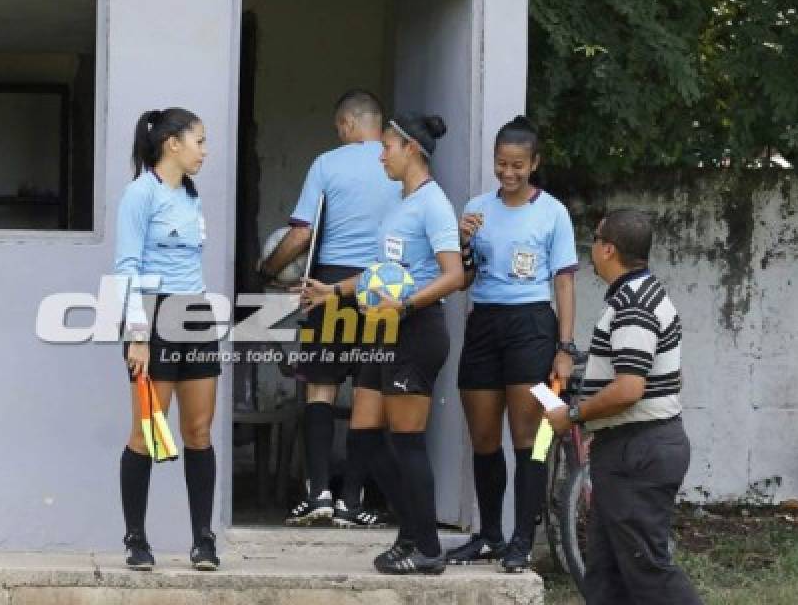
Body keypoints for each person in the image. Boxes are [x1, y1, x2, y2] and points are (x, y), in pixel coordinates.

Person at [300, 112, 464, 575]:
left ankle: (427, 547)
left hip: (417, 330)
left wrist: (407, 306)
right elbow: (379, 275)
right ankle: (409, 533)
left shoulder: (434, 204)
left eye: (388, 146)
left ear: (411, 149)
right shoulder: (398, 201)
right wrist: (332, 291)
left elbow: (453, 275)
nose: (381, 154)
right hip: (384, 329)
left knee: (408, 442)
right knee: (365, 438)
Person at [258, 90, 401, 527]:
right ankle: (351, 503)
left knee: (320, 387)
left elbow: (301, 236)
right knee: (368, 395)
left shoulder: (328, 163)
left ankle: (318, 492)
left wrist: (268, 269)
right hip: (383, 284)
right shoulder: (402, 163)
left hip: (330, 283)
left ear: (346, 124)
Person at [547, 209, 702, 604]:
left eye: (596, 239)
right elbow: (671, 377)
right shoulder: (643, 294)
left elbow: (630, 387)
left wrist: (574, 415)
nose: (592, 247)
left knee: (646, 569)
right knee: (607, 571)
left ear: (609, 249)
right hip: (632, 448)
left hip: (638, 450)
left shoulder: (633, 304)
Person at [445, 116, 578, 573]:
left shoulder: (553, 212)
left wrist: (566, 347)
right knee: (483, 438)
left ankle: (523, 539)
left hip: (532, 327)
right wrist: (461, 241)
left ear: (534, 163)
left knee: (529, 439)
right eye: (502, 163)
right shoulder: (477, 208)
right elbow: (463, 280)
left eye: (518, 165)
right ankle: (489, 535)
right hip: (484, 324)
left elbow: (563, 282)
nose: (508, 172)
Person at [116, 107, 221, 572]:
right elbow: (127, 268)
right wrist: (138, 336)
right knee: (148, 434)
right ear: (172, 143)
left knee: (198, 431)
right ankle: (136, 539)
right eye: (199, 141)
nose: (205, 150)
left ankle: (203, 539)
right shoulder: (140, 194)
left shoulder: (192, 196)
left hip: (194, 313)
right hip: (153, 319)